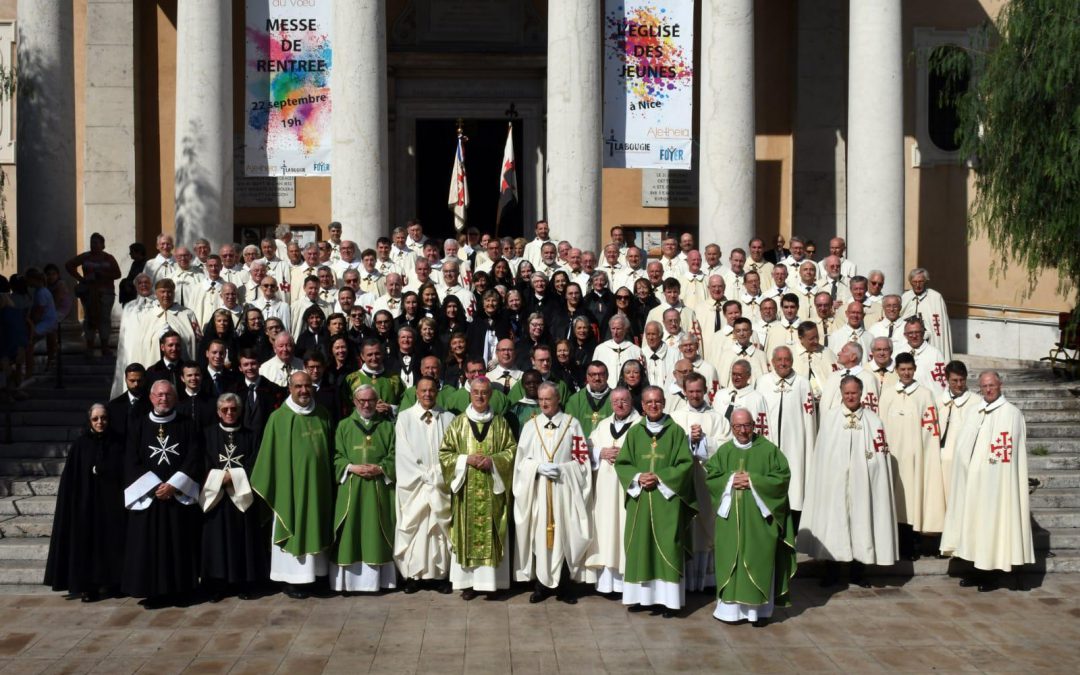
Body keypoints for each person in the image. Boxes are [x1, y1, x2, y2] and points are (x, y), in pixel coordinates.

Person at [798, 377, 897, 587]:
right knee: (834, 524)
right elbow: (822, 456)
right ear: (841, 393)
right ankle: (831, 572)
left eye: (854, 393)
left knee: (862, 523)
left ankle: (858, 572)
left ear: (861, 393)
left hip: (863, 484)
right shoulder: (830, 419)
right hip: (835, 484)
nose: (850, 397)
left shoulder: (873, 421)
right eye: (847, 393)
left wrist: (870, 469)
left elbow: (880, 457)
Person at [940, 370, 1034, 591]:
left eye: (992, 385)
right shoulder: (974, 411)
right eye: (984, 386)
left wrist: (991, 475)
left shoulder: (1011, 414)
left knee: (990, 527)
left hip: (995, 484)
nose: (988, 389)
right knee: (973, 527)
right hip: (971, 483)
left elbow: (1007, 454)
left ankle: (990, 575)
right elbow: (964, 444)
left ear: (1000, 385)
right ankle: (975, 570)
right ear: (979, 388)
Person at [705, 408, 795, 626]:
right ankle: (730, 612)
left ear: (754, 425)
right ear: (731, 427)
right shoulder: (724, 451)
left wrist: (753, 480)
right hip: (729, 522)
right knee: (730, 561)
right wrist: (730, 480)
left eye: (747, 425)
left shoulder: (769, 450)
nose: (743, 431)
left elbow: (782, 478)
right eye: (737, 426)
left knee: (758, 562)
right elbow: (712, 477)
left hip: (759, 523)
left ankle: (759, 613)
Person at [250, 371, 335, 599]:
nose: (304, 390)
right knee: (294, 526)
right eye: (298, 386)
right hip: (291, 491)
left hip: (318, 487)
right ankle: (291, 579)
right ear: (290, 388)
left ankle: (318, 575)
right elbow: (268, 459)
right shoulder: (279, 418)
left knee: (318, 523)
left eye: (307, 386)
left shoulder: (322, 414)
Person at [121, 381, 203, 607]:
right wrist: (155, 486)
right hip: (149, 497)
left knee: (178, 544)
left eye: (167, 395)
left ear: (175, 398)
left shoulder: (187, 424)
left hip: (177, 496)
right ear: (151, 397)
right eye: (159, 395)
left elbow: (194, 456)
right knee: (149, 547)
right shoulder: (138, 425)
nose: (163, 399)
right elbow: (131, 459)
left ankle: (180, 590)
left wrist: (174, 485)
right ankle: (153, 593)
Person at [616, 386, 696, 617]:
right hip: (640, 499)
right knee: (639, 545)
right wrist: (637, 477)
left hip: (666, 501)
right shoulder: (634, 432)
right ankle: (641, 598)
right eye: (649, 402)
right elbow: (623, 463)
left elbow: (685, 464)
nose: (653, 405)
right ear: (642, 405)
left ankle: (668, 601)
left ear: (664, 403)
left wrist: (660, 478)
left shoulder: (676, 432)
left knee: (668, 547)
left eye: (658, 401)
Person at [513, 382, 594, 604]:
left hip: (565, 490)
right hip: (539, 490)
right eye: (540, 399)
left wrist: (564, 469)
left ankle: (564, 585)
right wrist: (537, 467)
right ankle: (541, 585)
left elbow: (582, 461)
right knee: (539, 534)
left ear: (558, 399)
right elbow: (521, 462)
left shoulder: (572, 424)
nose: (544, 403)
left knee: (565, 535)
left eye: (548, 399)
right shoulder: (531, 426)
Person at [439, 377, 517, 599]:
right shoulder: (458, 423)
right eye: (476, 392)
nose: (480, 396)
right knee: (467, 532)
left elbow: (511, 451)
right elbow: (445, 454)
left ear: (490, 395)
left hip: (493, 489)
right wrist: (466, 459)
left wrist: (493, 461)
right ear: (470, 394)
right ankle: (469, 584)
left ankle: (491, 583)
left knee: (491, 532)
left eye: (484, 392)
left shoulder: (500, 423)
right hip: (467, 491)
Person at [44, 403, 127, 602]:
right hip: (87, 505)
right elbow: (72, 479)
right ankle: (89, 587)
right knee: (87, 546)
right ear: (89, 421)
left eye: (104, 418)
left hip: (112, 505)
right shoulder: (81, 445)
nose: (100, 422)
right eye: (95, 419)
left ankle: (113, 582)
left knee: (112, 543)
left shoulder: (118, 442)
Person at [199, 393, 267, 601]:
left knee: (243, 542)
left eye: (234, 409)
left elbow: (257, 462)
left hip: (242, 498)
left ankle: (243, 583)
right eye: (225, 409)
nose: (229, 413)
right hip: (217, 498)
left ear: (240, 411)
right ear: (218, 412)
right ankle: (217, 585)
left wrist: (234, 476)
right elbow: (202, 461)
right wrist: (221, 478)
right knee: (217, 542)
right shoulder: (207, 434)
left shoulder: (251, 435)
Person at [331, 385, 398, 593]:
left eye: (371, 400)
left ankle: (380, 581)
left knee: (377, 531)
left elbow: (395, 455)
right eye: (362, 400)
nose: (366, 405)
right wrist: (351, 467)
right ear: (354, 402)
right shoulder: (344, 426)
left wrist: (381, 468)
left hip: (379, 488)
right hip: (352, 486)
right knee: (351, 531)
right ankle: (348, 583)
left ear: (377, 401)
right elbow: (336, 456)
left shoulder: (387, 427)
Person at [878, 352, 944, 560]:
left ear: (915, 369)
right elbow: (880, 425)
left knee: (912, 501)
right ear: (896, 370)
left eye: (909, 369)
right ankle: (892, 545)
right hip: (893, 456)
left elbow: (930, 430)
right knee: (894, 500)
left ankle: (911, 546)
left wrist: (924, 454)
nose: (906, 373)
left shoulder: (925, 395)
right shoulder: (888, 394)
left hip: (916, 457)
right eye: (902, 369)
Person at [669, 372, 731, 592]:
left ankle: (707, 581)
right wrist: (688, 440)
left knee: (707, 526)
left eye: (698, 391)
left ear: (705, 391)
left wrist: (704, 441)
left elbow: (726, 447)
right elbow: (669, 446)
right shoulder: (675, 417)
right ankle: (685, 580)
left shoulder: (718, 418)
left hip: (707, 480)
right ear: (684, 392)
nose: (695, 395)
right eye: (691, 391)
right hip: (684, 481)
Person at [394, 377, 456, 594]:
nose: (427, 394)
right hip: (416, 485)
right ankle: (413, 576)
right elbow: (403, 453)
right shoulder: (405, 418)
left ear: (437, 392)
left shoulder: (449, 418)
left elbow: (452, 451)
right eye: (423, 390)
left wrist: (438, 475)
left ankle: (440, 575)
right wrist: (424, 475)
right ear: (416, 393)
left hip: (440, 484)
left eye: (431, 390)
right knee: (417, 528)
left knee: (438, 529)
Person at [584, 387, 639, 595]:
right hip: (604, 490)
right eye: (616, 401)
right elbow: (588, 447)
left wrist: (626, 454)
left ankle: (626, 583)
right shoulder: (603, 424)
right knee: (606, 530)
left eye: (624, 400)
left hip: (628, 489)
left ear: (631, 401)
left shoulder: (640, 424)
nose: (620, 404)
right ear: (611, 404)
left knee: (624, 528)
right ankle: (607, 583)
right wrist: (601, 452)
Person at [755, 346, 817, 523]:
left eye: (787, 359)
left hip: (795, 443)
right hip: (769, 440)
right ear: (772, 362)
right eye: (779, 360)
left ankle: (793, 521)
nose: (783, 363)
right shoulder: (763, 382)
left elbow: (809, 418)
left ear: (792, 361)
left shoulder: (802, 383)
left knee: (795, 481)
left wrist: (808, 445)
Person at [65, 232, 122, 357]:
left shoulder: (109, 258)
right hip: (88, 293)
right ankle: (89, 347)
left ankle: (105, 347)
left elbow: (118, 274)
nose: (93, 245)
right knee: (89, 318)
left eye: (96, 243)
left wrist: (104, 275)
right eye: (92, 242)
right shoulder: (85, 256)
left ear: (102, 245)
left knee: (104, 319)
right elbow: (69, 265)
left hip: (106, 293)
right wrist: (81, 279)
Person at [938, 360, 976, 503]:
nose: (959, 384)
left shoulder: (976, 403)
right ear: (947, 379)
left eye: (962, 380)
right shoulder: (938, 401)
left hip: (963, 462)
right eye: (954, 380)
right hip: (940, 461)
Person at [901, 267, 953, 361]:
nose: (917, 285)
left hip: (929, 343)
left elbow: (939, 327)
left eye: (921, 281)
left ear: (926, 281)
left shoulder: (935, 297)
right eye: (914, 282)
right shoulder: (905, 297)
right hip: (907, 343)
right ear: (910, 282)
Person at [565, 361, 612, 438]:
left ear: (607, 376)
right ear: (587, 377)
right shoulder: (575, 400)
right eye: (593, 374)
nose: (597, 378)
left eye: (601, 374)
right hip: (582, 444)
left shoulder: (616, 398)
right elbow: (568, 428)